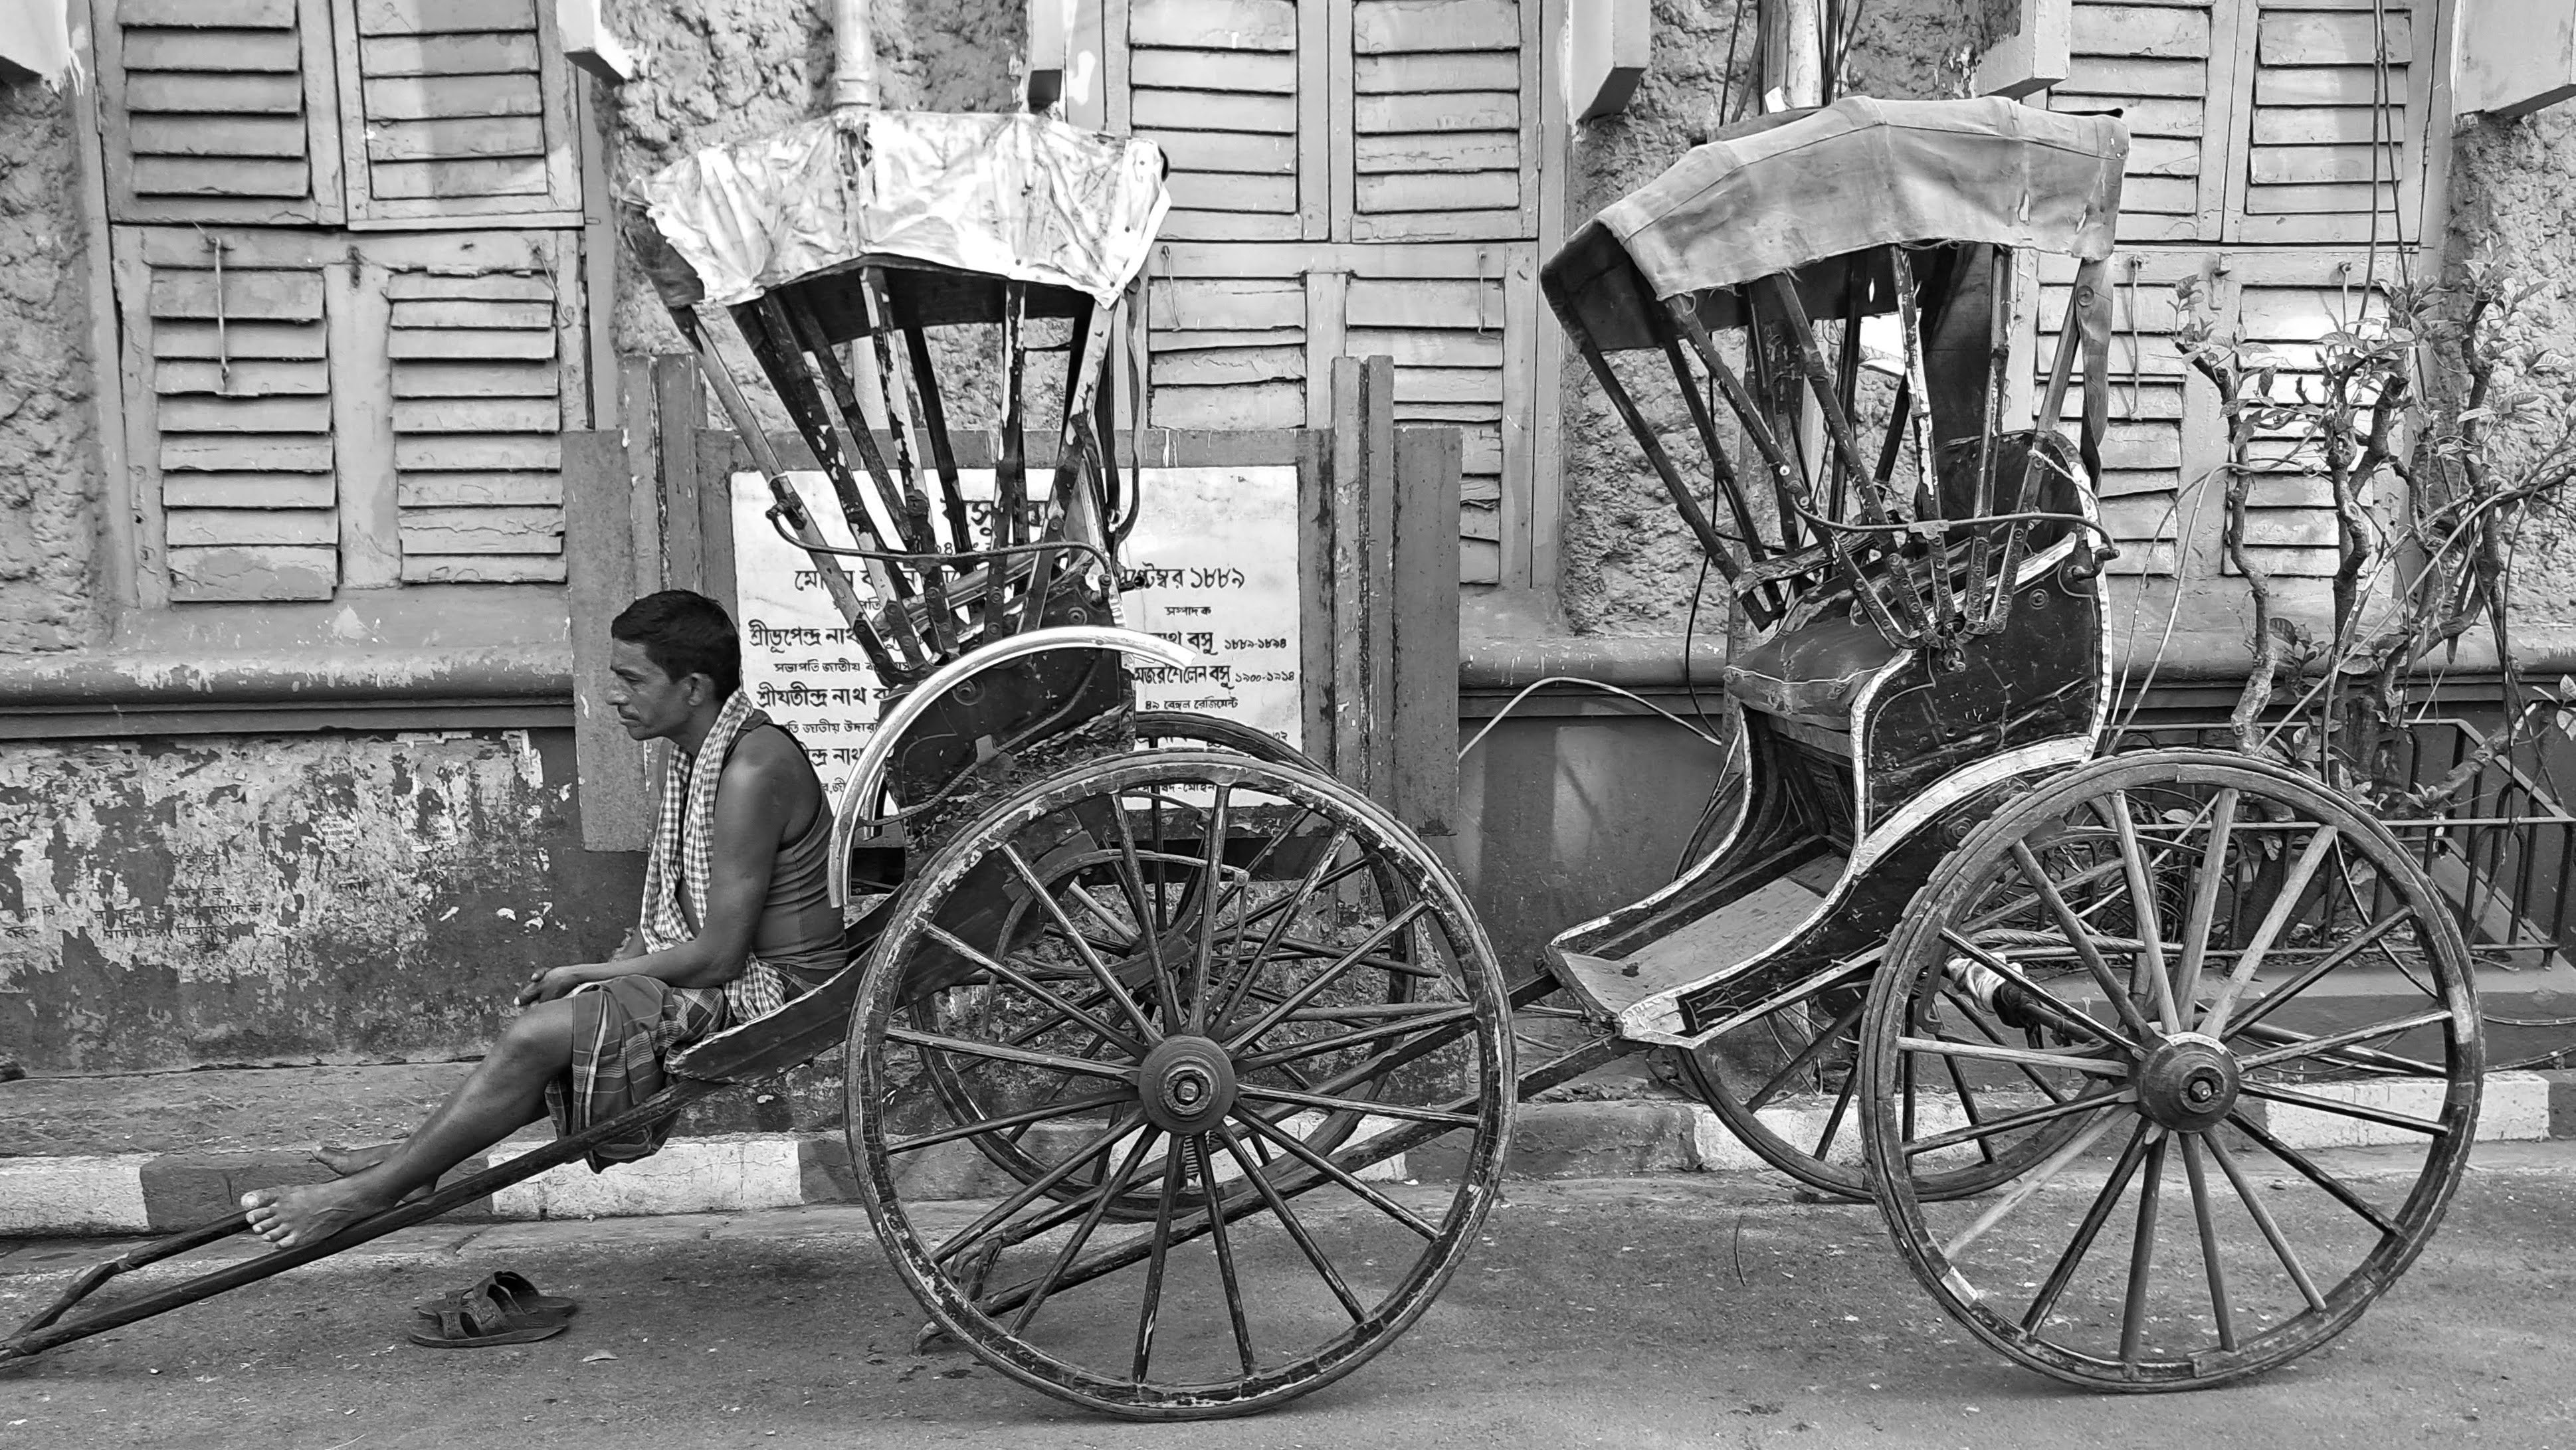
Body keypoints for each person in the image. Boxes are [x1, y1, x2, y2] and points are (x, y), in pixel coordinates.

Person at [243, 590, 842, 1249]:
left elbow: (721, 955)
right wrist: (599, 977)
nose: (613, 695)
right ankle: (414, 1163)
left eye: (632, 679)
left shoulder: (752, 768)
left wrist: (589, 972)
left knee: (536, 1034)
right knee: (557, 1025)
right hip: (722, 972)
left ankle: (372, 1190)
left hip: (774, 992)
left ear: (694, 687)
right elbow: (679, 914)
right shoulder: (694, 754)